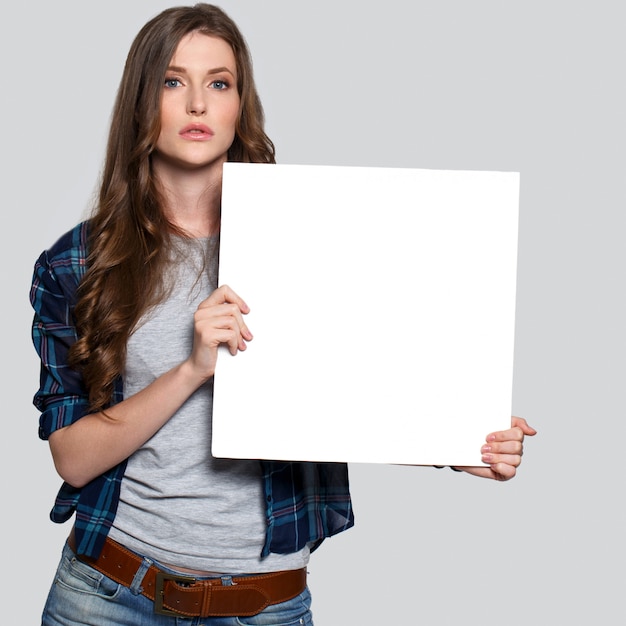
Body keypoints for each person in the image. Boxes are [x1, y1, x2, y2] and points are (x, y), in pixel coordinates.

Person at [29, 3, 537, 625]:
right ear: (141, 101)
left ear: (239, 104)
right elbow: (73, 457)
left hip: (263, 605)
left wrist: (452, 437)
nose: (196, 104)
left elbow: (341, 391)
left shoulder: (308, 234)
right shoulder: (78, 262)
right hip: (109, 595)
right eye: (171, 81)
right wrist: (190, 370)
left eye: (218, 83)